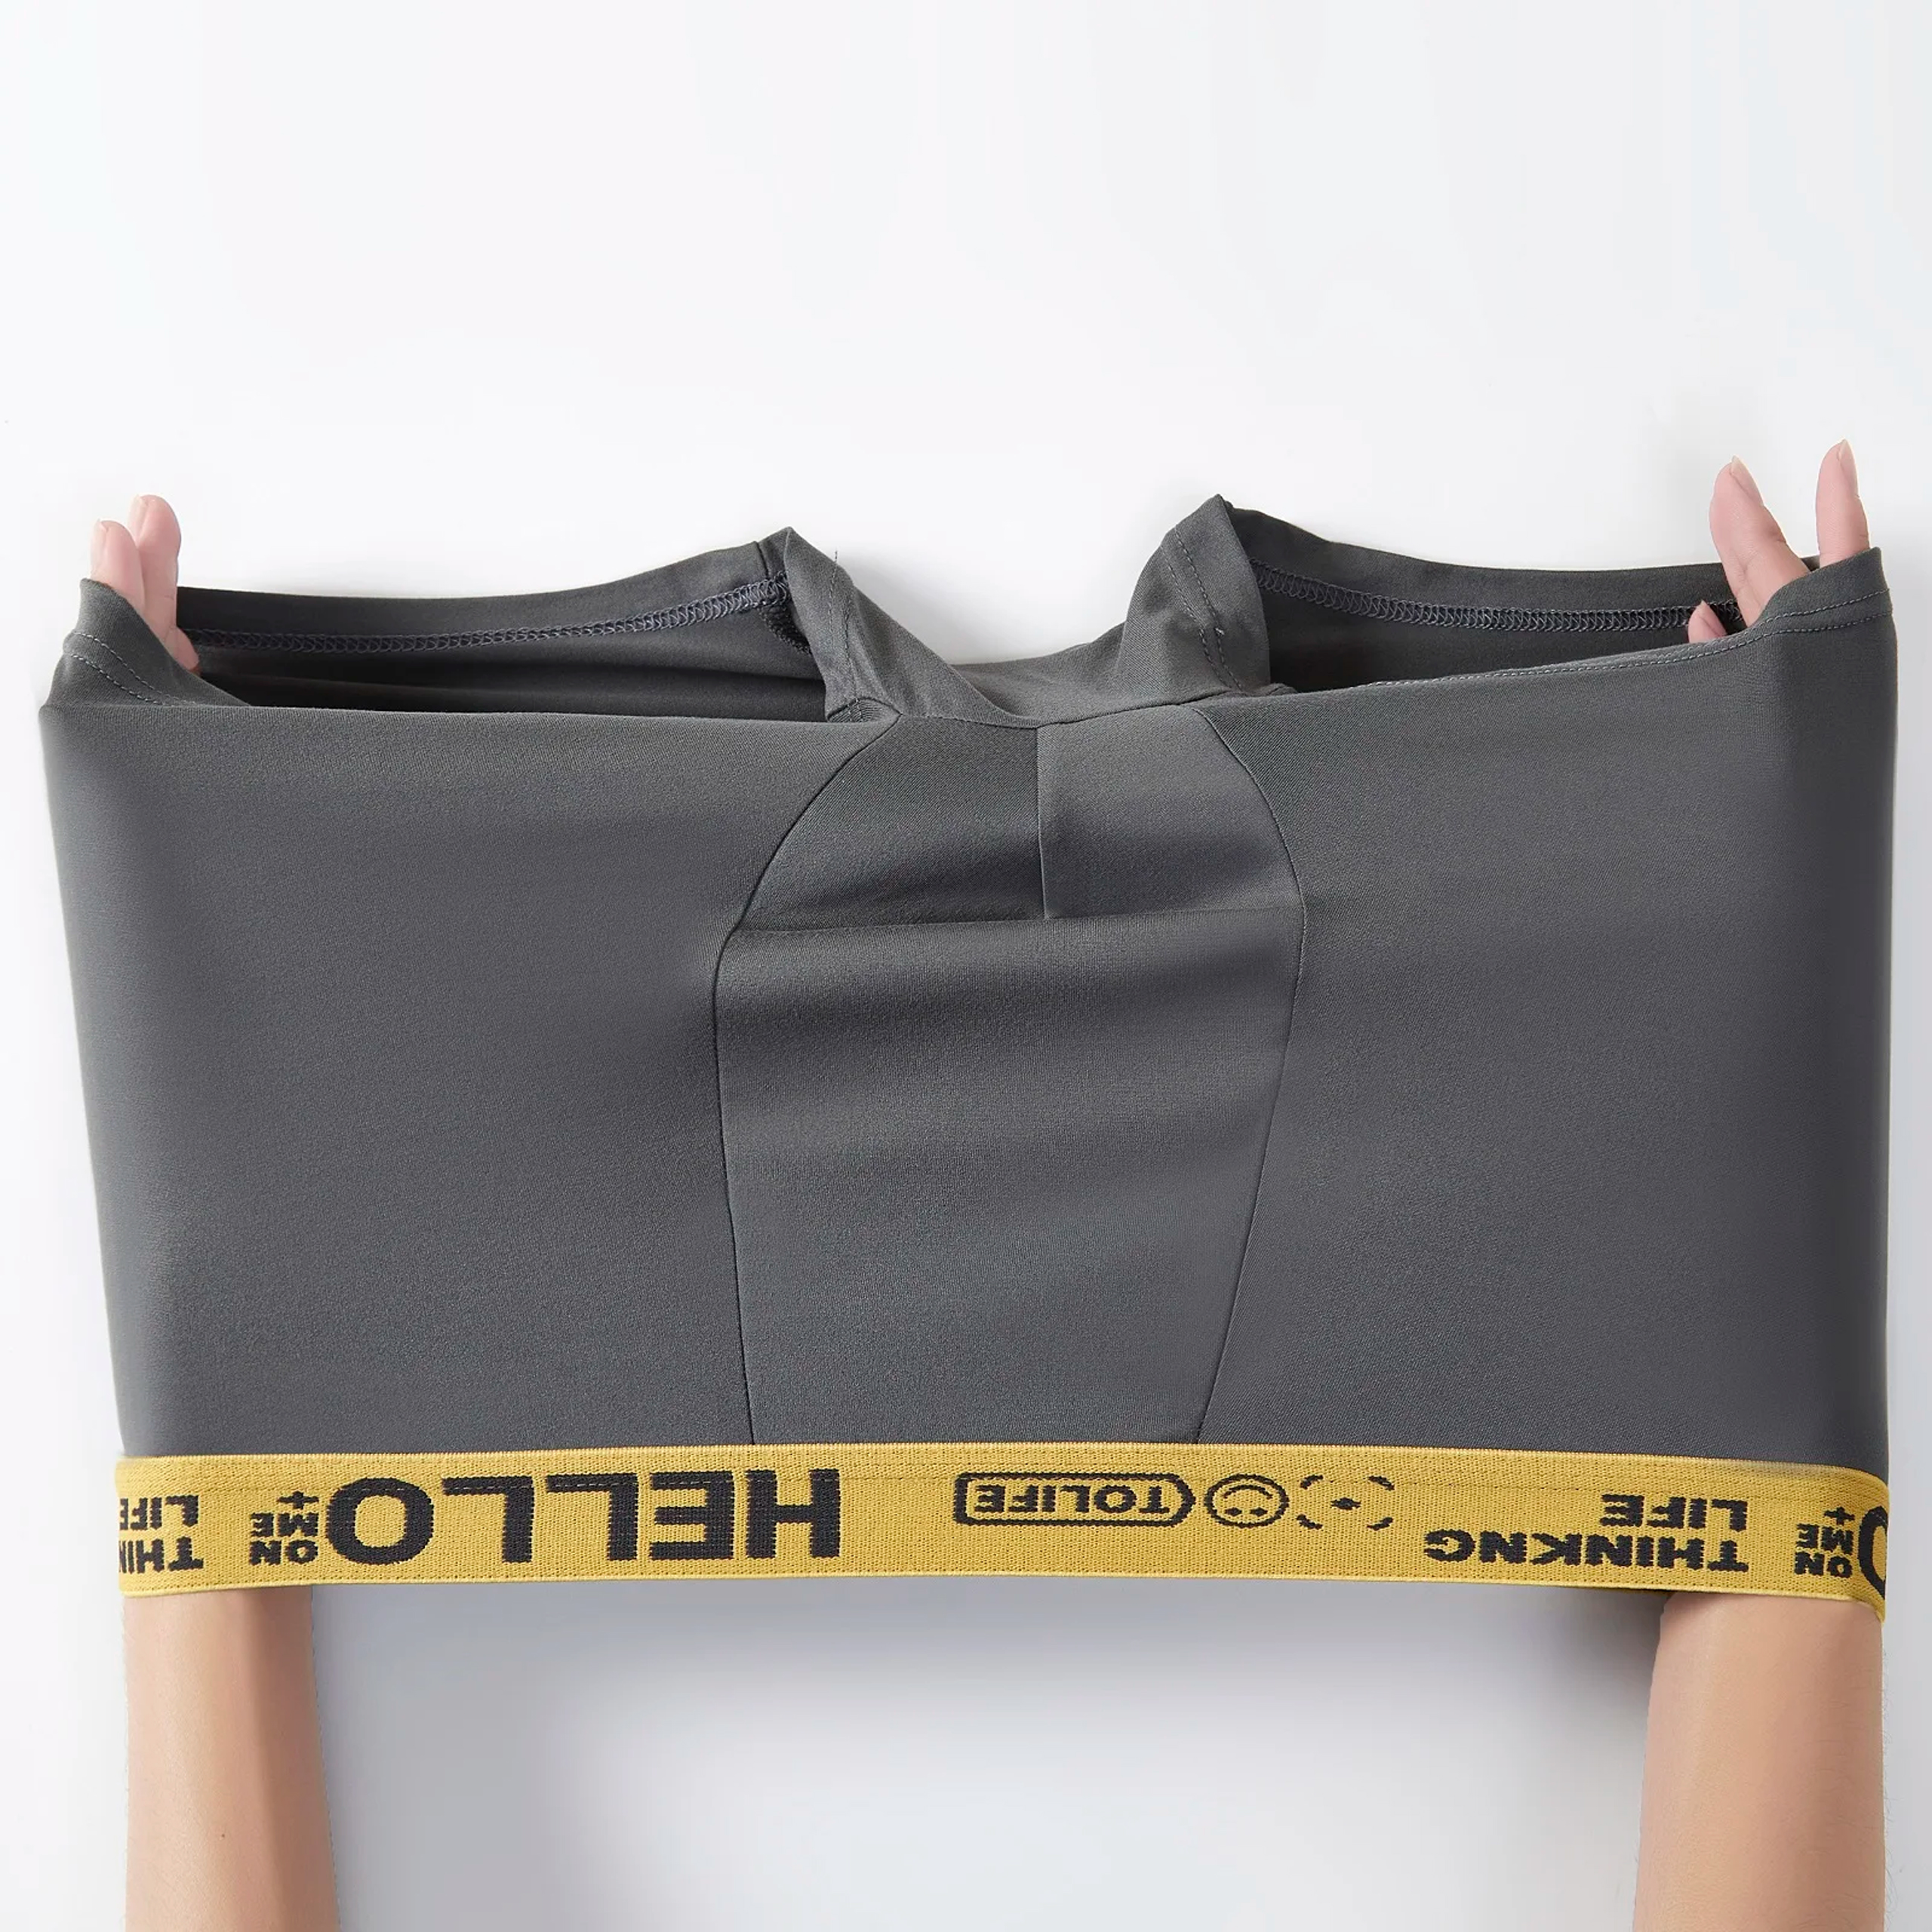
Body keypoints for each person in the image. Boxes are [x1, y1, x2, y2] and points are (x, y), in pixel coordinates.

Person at [91, 451, 1885, 1932]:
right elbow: (1763, 1498)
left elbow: (1764, 1494)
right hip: (1495, 934)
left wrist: (206, 838)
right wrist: (1741, 812)